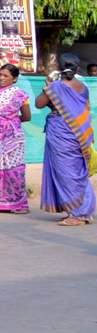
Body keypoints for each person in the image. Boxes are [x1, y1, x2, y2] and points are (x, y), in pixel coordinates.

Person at [35, 55, 93, 226]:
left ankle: (78, 213)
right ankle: (83, 210)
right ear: (77, 69)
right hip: (79, 133)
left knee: (66, 172)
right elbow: (83, 109)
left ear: (59, 67)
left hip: (61, 131)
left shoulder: (56, 86)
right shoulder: (83, 87)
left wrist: (47, 85)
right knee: (78, 171)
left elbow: (39, 103)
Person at [0, 64, 31, 214]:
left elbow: (27, 117)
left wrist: (7, 121)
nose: (1, 78)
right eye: (0, 75)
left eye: (6, 76)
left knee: (14, 169)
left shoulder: (19, 94)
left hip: (13, 138)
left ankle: (19, 204)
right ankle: (1, 203)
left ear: (14, 79)